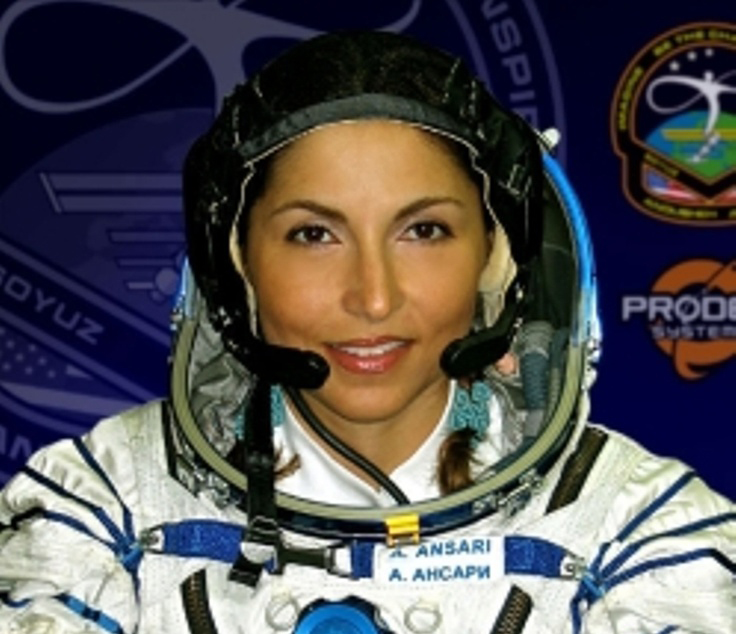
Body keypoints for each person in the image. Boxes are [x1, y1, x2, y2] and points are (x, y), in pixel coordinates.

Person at [0, 30, 733, 634]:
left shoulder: (636, 532)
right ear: (237, 267)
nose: (374, 299)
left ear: (495, 260)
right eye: (314, 234)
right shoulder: (105, 506)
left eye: (424, 230)